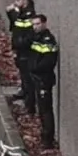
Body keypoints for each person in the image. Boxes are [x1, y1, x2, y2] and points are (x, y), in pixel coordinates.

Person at [26, 16, 60, 149]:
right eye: (33, 24)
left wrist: (34, 69)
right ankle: (44, 135)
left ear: (44, 24)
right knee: (41, 110)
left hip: (43, 80)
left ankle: (48, 139)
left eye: (38, 24)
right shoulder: (36, 38)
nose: (35, 27)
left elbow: (49, 62)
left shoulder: (48, 41)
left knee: (46, 110)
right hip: (37, 78)